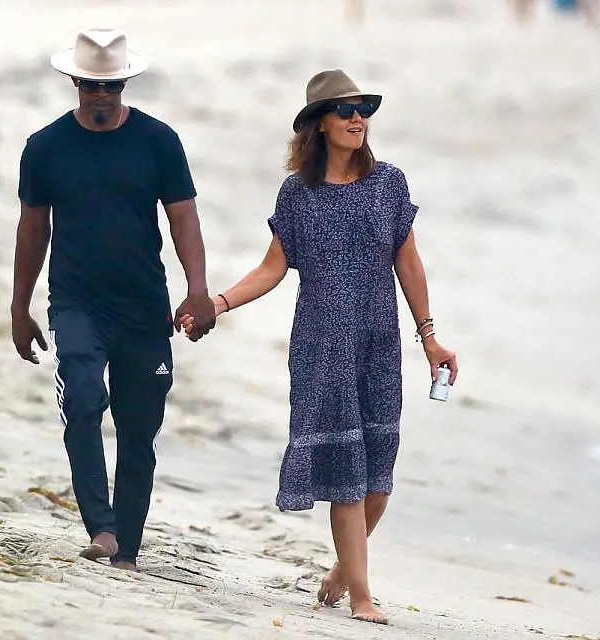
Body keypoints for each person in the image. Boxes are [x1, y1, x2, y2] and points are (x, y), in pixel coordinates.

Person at [180, 69, 459, 625]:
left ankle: (341, 571)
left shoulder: (389, 184)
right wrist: (219, 302)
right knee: (347, 475)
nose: (358, 119)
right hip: (322, 346)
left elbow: (408, 262)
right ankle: (362, 596)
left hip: (378, 343)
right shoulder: (298, 195)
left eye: (364, 110)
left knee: (378, 480)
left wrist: (430, 338)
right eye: (345, 110)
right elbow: (272, 268)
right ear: (319, 124)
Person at [11, 28, 216, 572]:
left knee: (138, 429)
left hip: (144, 307)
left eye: (111, 85)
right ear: (74, 82)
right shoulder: (45, 148)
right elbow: (32, 230)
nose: (100, 94)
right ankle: (100, 527)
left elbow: (184, 220)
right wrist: (19, 307)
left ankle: (126, 548)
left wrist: (197, 289)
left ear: (125, 84)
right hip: (76, 303)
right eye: (91, 85)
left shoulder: (158, 142)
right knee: (82, 402)